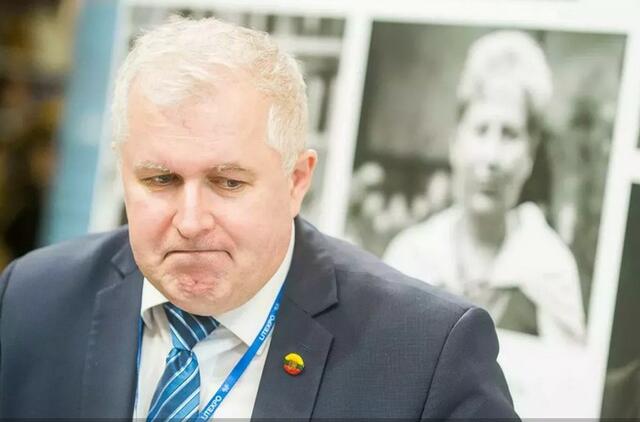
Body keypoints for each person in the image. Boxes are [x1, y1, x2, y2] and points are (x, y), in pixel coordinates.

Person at [0, 17, 518, 419]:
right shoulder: (32, 300)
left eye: (228, 182)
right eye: (161, 180)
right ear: (123, 174)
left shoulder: (426, 356)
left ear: (297, 181)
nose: (191, 221)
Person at [384, 31, 585, 343]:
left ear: (530, 154)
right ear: (456, 142)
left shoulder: (551, 270)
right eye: (481, 130)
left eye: (509, 134)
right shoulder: (411, 257)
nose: (491, 157)